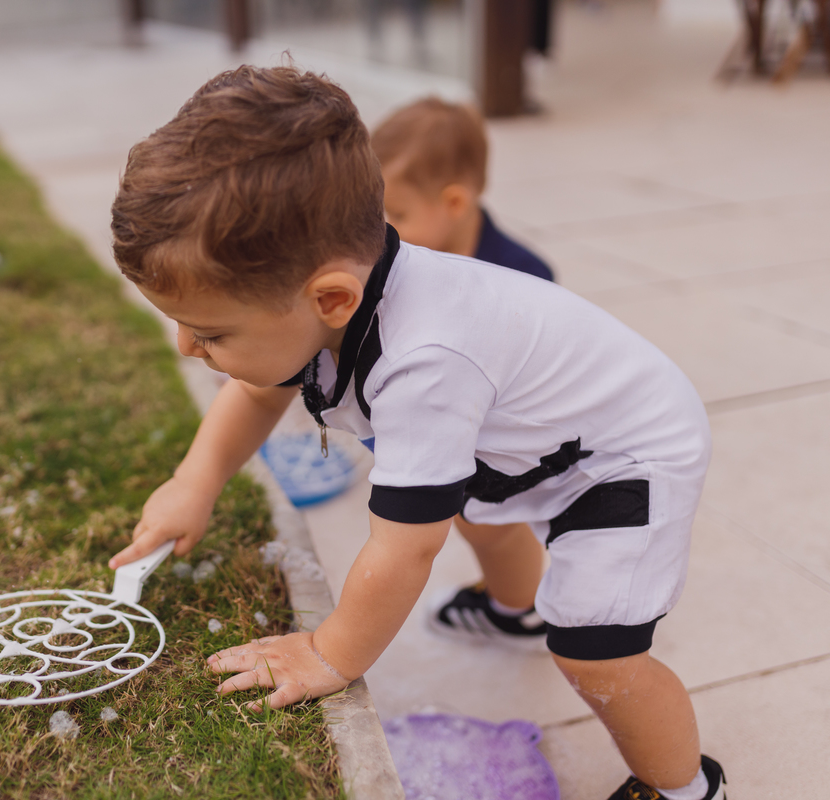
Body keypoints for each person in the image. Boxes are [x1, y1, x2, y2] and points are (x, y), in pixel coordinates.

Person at [107, 66, 726, 800]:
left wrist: (328, 654)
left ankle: (685, 787)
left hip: (626, 454)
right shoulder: (333, 302)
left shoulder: (424, 363)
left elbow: (405, 549)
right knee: (474, 511)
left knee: (596, 650)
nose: (184, 345)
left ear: (330, 298)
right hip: (541, 437)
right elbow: (255, 390)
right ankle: (514, 608)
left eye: (209, 331)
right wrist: (195, 480)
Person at [372, 97, 558, 651]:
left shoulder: (519, 275)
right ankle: (516, 596)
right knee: (480, 523)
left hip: (509, 434)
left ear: (454, 201)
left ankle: (519, 609)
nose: (380, 231)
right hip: (461, 419)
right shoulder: (410, 256)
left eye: (395, 214)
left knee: (488, 525)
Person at [371, 97, 553, 281]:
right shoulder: (392, 267)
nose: (387, 228)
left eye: (399, 215)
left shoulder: (525, 276)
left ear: (454, 203)